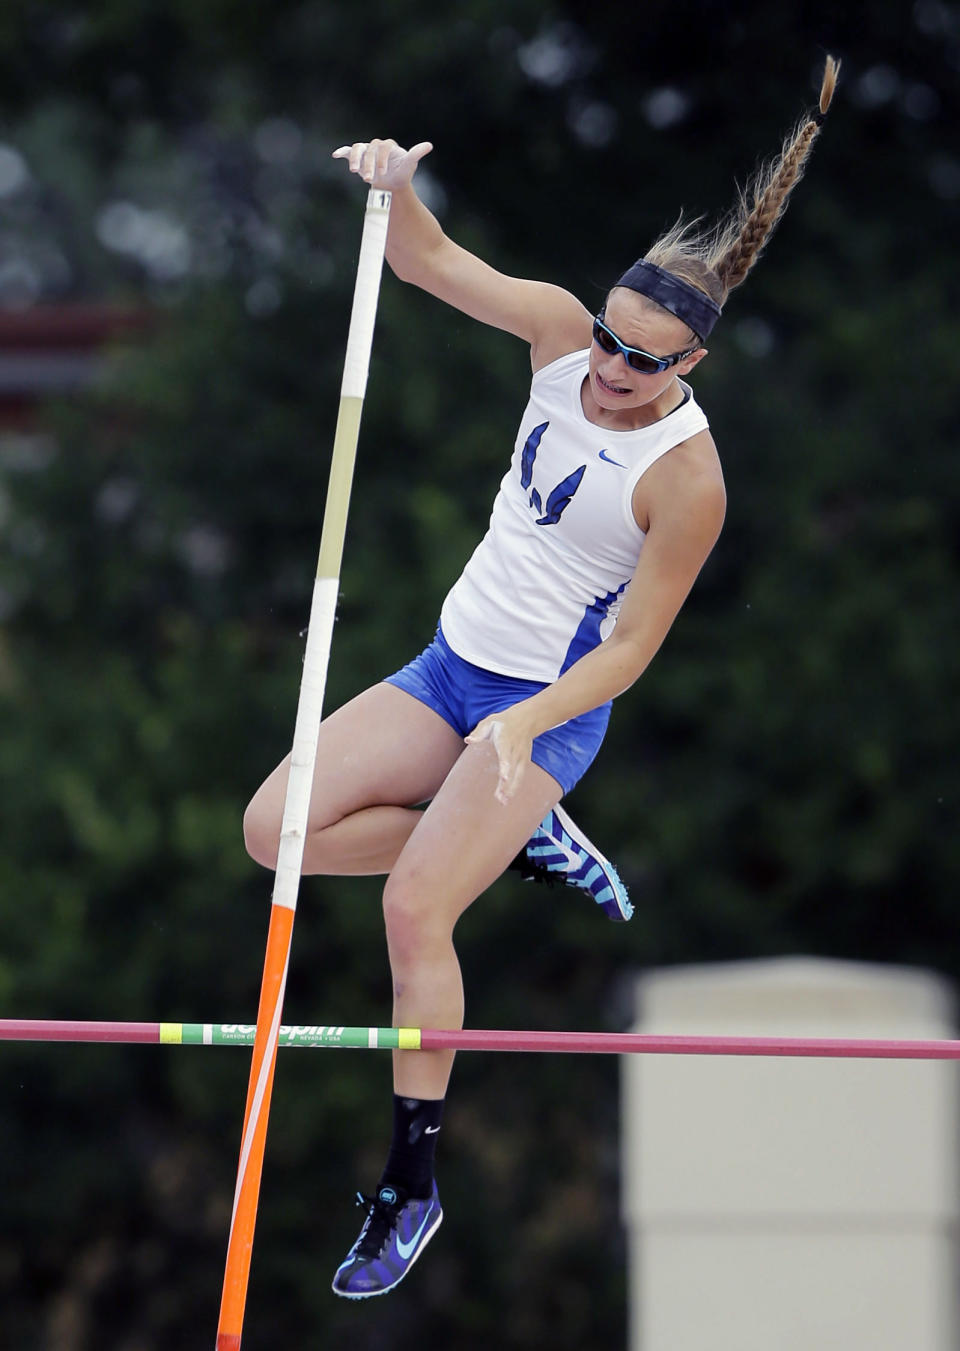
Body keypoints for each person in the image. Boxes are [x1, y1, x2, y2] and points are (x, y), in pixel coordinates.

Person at [242, 55, 838, 1300]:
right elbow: (426, 263)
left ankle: (412, 1184)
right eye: (614, 344)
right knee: (272, 833)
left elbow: (628, 652)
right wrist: (394, 187)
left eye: (647, 364)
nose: (615, 373)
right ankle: (516, 845)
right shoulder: (563, 337)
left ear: (694, 370)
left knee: (414, 907)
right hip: (448, 667)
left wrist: (526, 730)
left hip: (543, 717)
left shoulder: (688, 480)